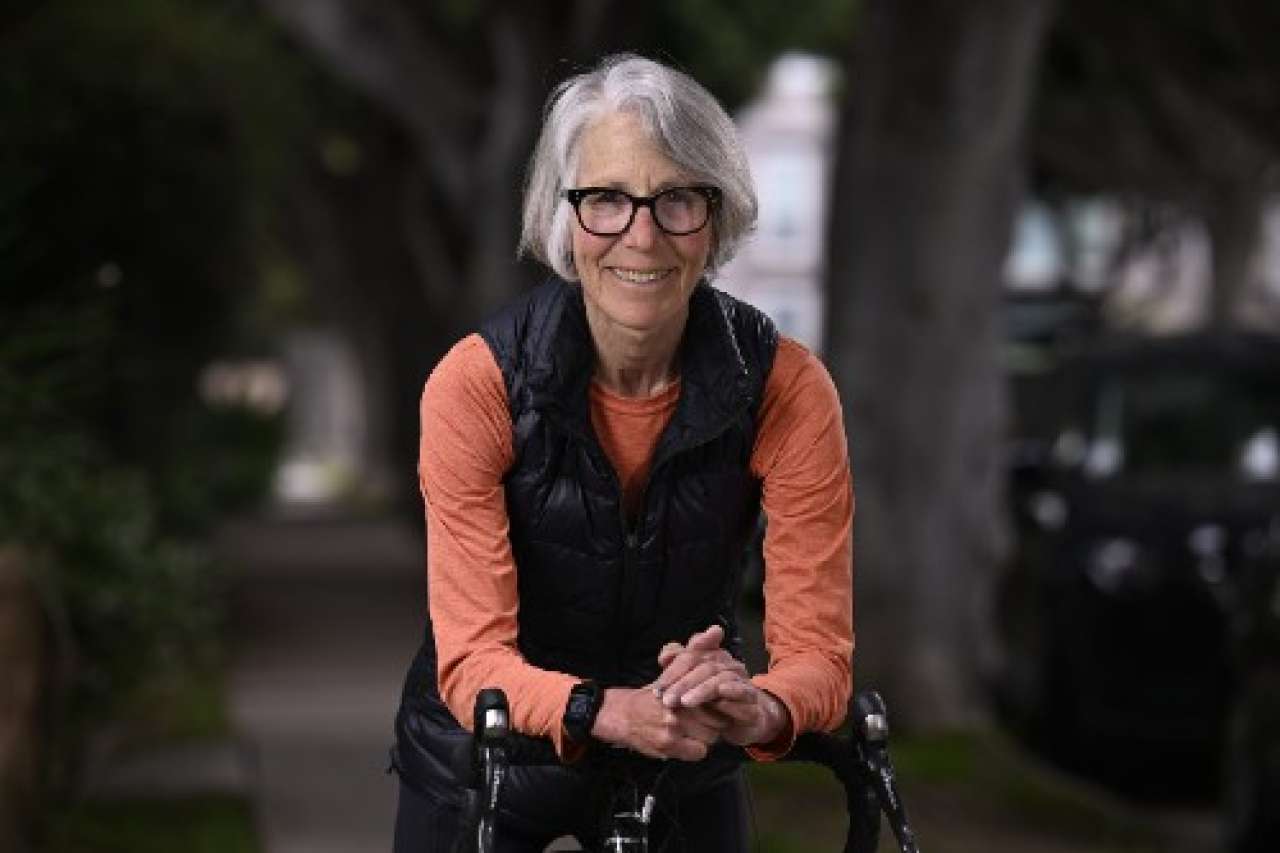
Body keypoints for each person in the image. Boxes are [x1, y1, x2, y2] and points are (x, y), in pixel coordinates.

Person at [390, 53, 854, 852]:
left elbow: (820, 658)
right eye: (606, 198)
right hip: (489, 753)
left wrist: (761, 707)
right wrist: (599, 707)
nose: (641, 235)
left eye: (677, 199)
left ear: (717, 217)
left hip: (683, 747)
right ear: (563, 215)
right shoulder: (476, 384)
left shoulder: (787, 387)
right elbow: (470, 661)